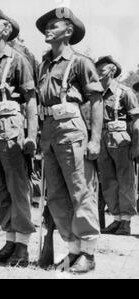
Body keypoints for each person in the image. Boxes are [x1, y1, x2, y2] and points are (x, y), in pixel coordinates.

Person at [36, 7, 104, 273]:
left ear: (68, 31)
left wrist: (95, 139)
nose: (48, 29)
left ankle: (88, 252)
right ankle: (73, 251)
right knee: (55, 195)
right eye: (46, 25)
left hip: (72, 128)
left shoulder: (80, 62)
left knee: (80, 190)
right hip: (49, 130)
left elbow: (96, 102)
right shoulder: (43, 64)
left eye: (54, 25)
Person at [0, 9, 38, 267]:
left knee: (17, 186)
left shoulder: (18, 60)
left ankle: (22, 245)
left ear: (6, 31)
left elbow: (31, 99)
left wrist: (31, 135)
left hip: (11, 125)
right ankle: (10, 239)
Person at [95, 55, 139, 236]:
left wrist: (136, 146)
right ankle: (116, 218)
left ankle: (126, 221)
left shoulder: (124, 92)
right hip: (102, 139)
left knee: (125, 180)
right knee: (108, 181)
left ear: (112, 71)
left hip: (121, 140)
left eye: (102, 70)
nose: (98, 73)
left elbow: (136, 121)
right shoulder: (96, 94)